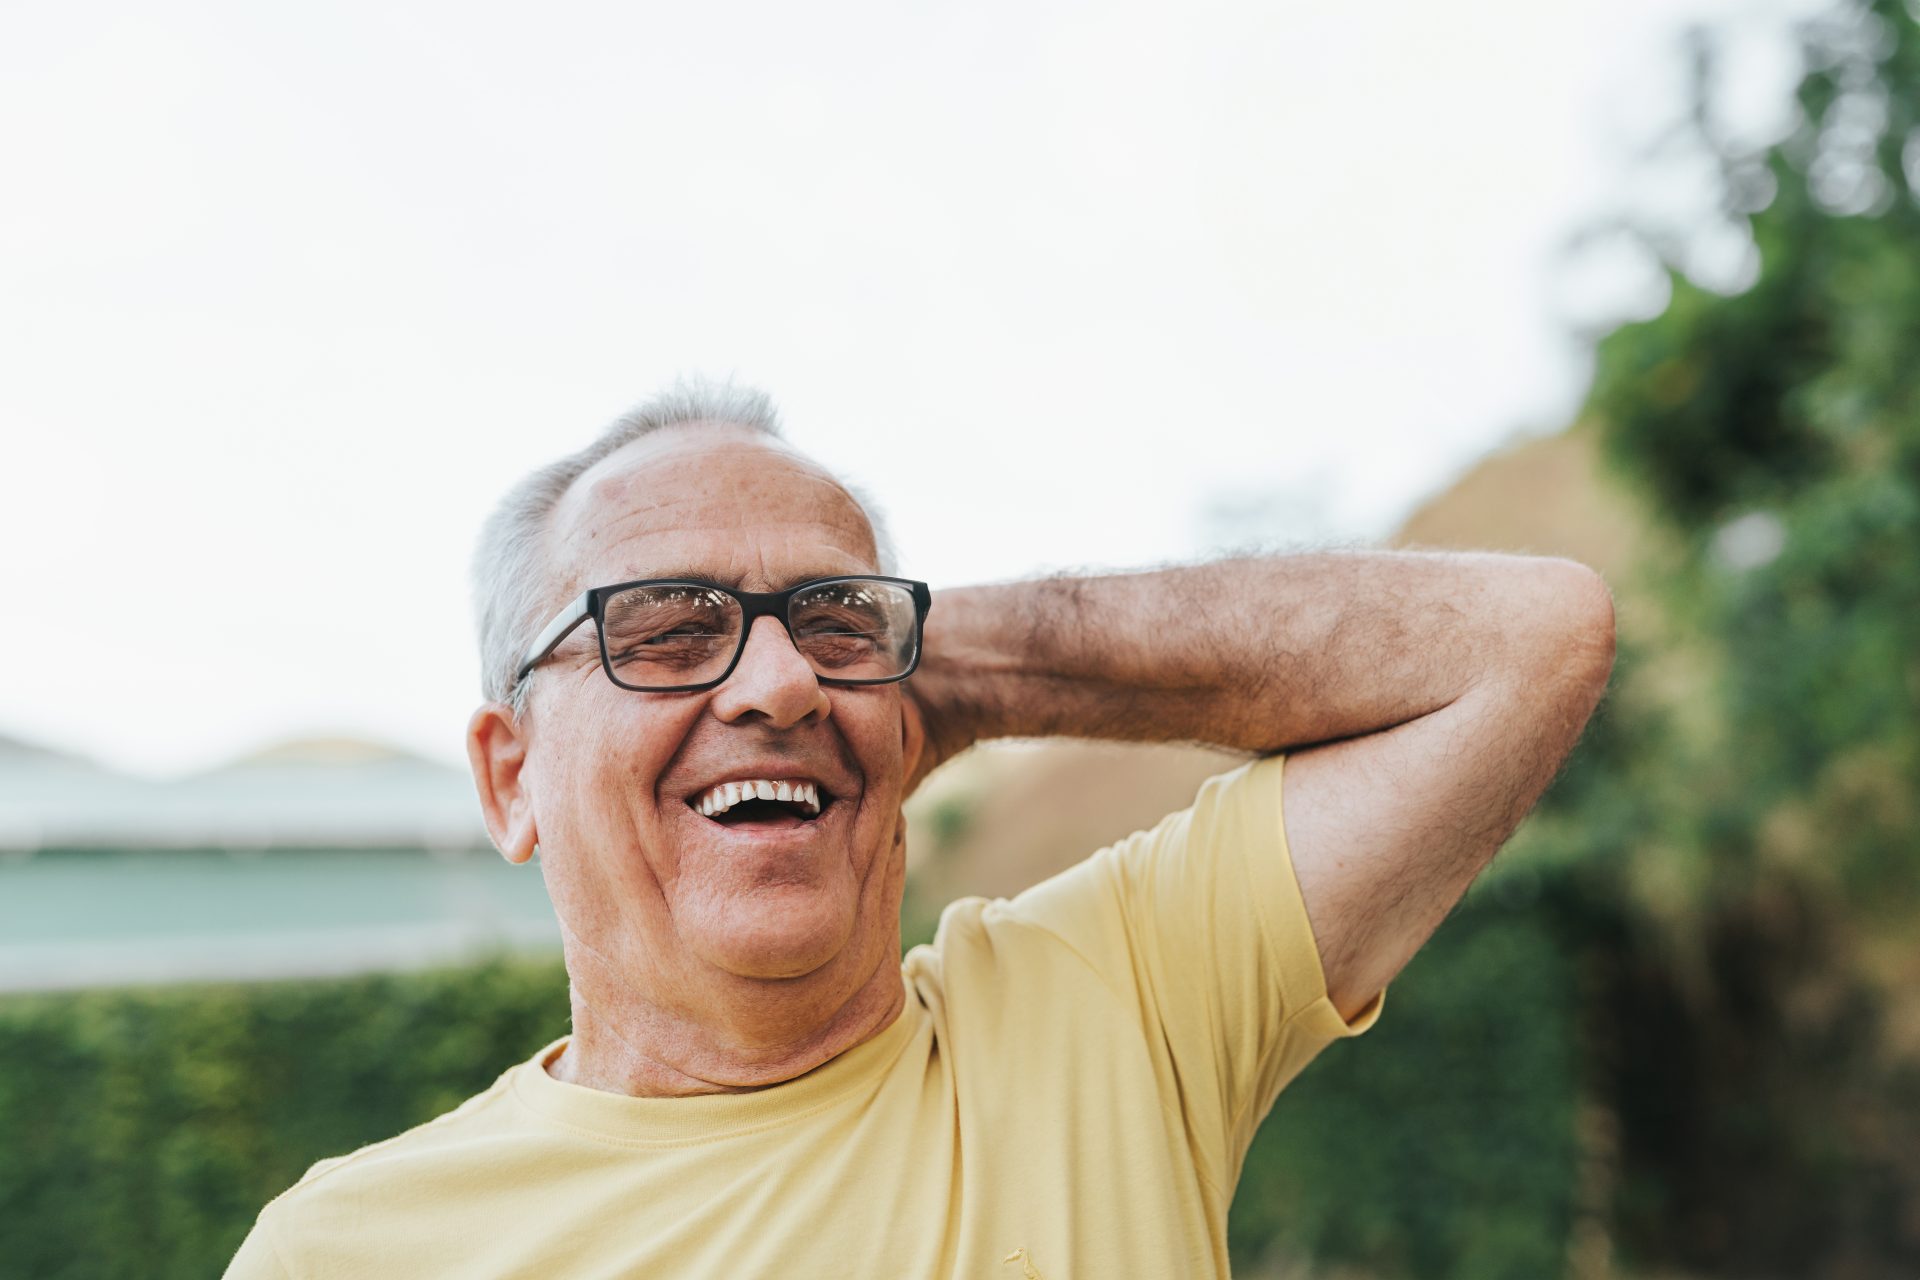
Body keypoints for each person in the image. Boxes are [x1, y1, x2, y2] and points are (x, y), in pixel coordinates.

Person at [224, 381, 1615, 1279]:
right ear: (510, 777)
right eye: (667, 629)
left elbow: (1527, 640)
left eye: (834, 620)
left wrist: (953, 664)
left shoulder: (1116, 1004)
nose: (778, 683)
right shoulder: (348, 1254)